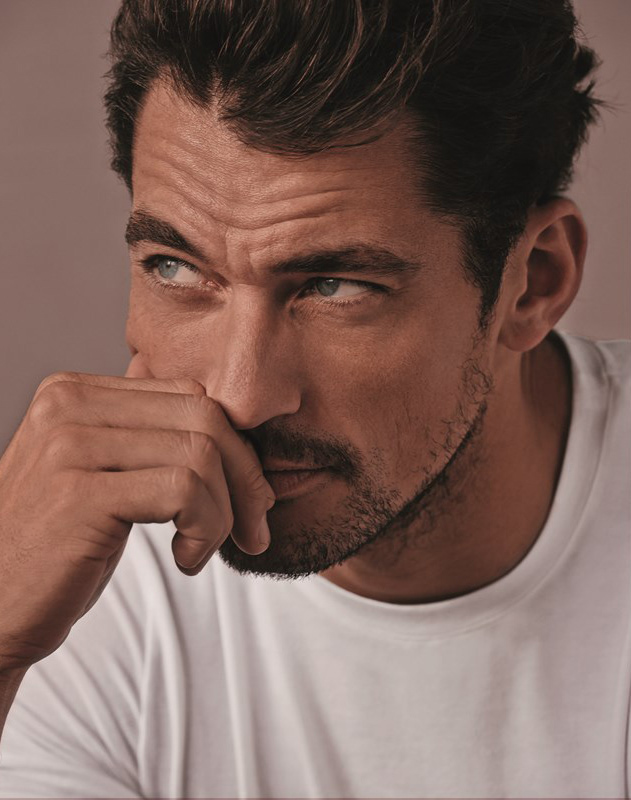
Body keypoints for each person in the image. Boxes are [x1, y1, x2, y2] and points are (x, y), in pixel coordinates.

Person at [0, 0, 629, 796]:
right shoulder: (69, 583)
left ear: (532, 283)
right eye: (174, 267)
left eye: (334, 286)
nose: (238, 398)